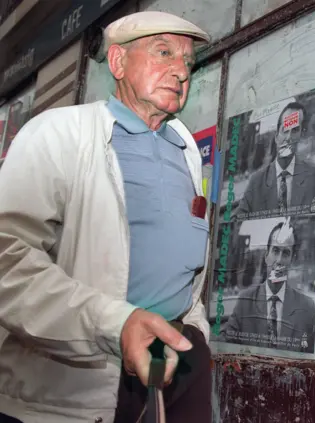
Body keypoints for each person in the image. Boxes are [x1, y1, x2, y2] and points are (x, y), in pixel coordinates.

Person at [0, 11, 213, 423]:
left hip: (176, 363)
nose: (180, 71)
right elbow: (6, 259)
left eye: (187, 61)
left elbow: (187, 267)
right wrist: (116, 324)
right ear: (117, 63)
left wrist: (195, 334)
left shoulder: (186, 151)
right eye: (163, 52)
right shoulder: (57, 134)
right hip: (78, 381)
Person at [223, 220, 315, 353]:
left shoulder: (307, 308)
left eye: (286, 253)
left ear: (292, 260)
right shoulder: (245, 302)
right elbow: (223, 344)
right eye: (275, 251)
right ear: (266, 255)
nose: (279, 260)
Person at [234, 102, 315, 220]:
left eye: (295, 130)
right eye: (285, 130)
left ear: (301, 135)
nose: (288, 137)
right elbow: (236, 218)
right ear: (276, 137)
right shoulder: (257, 181)